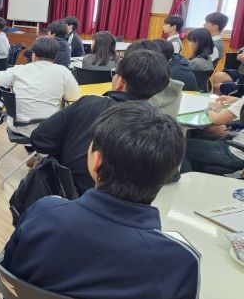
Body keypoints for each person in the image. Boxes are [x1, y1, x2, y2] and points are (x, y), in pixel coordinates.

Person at [0, 102, 198, 299]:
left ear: (95, 161)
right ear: (167, 174)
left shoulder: (44, 211)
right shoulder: (179, 261)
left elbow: (10, 270)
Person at [30, 50, 171, 193]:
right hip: (122, 201)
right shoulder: (160, 128)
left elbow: (39, 139)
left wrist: (67, 148)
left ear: (120, 82)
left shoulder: (88, 105)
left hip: (67, 193)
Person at [0, 37, 79, 137]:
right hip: (48, 127)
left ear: (33, 55)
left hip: (18, 126)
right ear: (55, 58)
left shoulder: (18, 70)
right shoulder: (63, 72)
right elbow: (74, 96)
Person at [185, 94, 244, 174]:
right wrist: (238, 100)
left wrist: (210, 108)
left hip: (236, 154)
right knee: (200, 138)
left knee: (179, 146)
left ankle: (186, 177)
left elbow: (217, 120)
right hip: (238, 145)